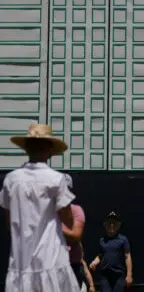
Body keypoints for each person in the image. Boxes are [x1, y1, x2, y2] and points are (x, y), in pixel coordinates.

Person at [0, 124, 80, 292]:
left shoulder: (10, 180)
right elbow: (69, 220)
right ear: (50, 149)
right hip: (51, 258)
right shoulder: (57, 180)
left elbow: (9, 224)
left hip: (21, 262)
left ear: (27, 148)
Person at [89, 211, 133, 291]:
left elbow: (127, 256)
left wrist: (129, 275)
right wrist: (94, 263)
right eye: (109, 223)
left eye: (114, 223)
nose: (111, 225)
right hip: (105, 276)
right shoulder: (102, 240)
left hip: (119, 276)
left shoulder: (123, 239)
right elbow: (100, 255)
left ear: (118, 225)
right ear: (105, 225)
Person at [63, 174, 87, 288]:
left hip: (73, 264)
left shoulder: (77, 211)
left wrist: (54, 227)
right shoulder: (50, 212)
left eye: (66, 189)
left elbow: (76, 236)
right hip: (54, 264)